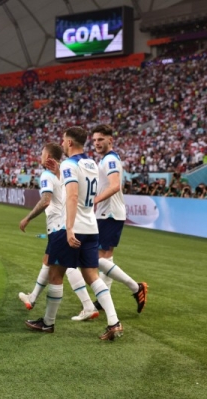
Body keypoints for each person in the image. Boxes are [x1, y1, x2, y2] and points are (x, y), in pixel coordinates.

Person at [25, 127, 123, 340]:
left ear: (69, 143)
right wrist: (60, 171)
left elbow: (71, 196)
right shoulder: (92, 164)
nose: (62, 142)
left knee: (55, 274)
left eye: (63, 140)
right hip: (91, 225)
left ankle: (48, 323)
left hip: (72, 226)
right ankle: (114, 322)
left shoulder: (70, 164)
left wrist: (69, 229)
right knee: (92, 276)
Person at [18, 143, 99, 321]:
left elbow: (46, 200)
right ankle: (32, 298)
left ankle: (82, 307)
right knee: (49, 261)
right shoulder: (63, 173)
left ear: (47, 156)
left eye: (41, 152)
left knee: (62, 267)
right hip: (66, 224)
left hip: (59, 227)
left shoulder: (48, 174)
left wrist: (28, 218)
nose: (39, 156)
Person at [92, 124, 148, 313]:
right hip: (107, 213)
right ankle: (102, 299)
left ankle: (135, 287)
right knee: (105, 258)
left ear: (110, 140)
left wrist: (96, 200)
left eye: (100, 139)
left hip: (110, 213)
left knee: (98, 258)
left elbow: (115, 186)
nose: (97, 143)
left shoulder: (110, 160)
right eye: (94, 140)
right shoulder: (105, 160)